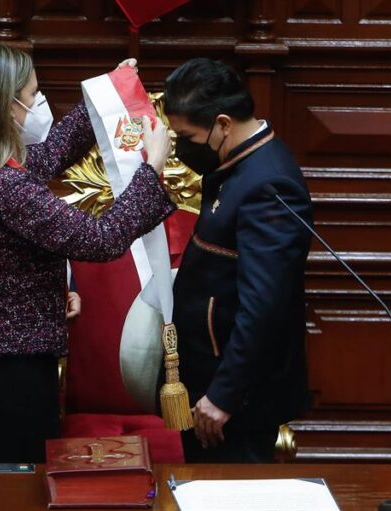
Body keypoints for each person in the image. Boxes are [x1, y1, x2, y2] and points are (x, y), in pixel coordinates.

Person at [0, 41, 175, 463]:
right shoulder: (7, 186)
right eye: (33, 95)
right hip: (12, 375)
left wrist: (110, 91)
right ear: (7, 106)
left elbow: (51, 154)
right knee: (13, 490)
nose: (38, 103)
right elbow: (101, 238)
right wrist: (150, 170)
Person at [164, 58, 313, 463]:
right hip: (209, 378)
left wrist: (224, 395)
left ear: (224, 124)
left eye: (187, 135)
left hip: (235, 400)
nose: (181, 147)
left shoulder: (269, 184)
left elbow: (264, 306)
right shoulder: (237, 164)